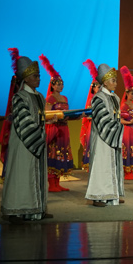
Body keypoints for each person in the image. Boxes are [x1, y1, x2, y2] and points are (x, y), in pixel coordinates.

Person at [1, 50, 51, 223]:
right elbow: (24, 121)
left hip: (37, 139)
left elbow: (40, 118)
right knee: (21, 174)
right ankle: (17, 210)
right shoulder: (19, 97)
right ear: (26, 78)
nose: (39, 79)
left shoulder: (40, 97)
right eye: (35, 76)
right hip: (25, 142)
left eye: (39, 76)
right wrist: (38, 136)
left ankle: (38, 209)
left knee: (37, 175)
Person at [85, 64, 125, 207]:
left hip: (112, 134)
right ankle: (99, 196)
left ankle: (113, 194)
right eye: (113, 80)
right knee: (101, 165)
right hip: (103, 137)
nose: (116, 83)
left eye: (116, 80)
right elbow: (102, 120)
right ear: (105, 82)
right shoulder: (98, 98)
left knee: (113, 164)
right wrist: (118, 129)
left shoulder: (116, 98)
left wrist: (117, 128)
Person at [39, 54, 75, 192]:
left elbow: (67, 113)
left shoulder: (65, 98)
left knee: (62, 153)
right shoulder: (50, 98)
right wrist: (54, 118)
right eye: (58, 84)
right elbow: (46, 114)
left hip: (64, 129)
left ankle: (58, 183)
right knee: (53, 153)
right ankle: (52, 184)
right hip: (54, 129)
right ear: (52, 85)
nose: (60, 86)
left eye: (62, 83)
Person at [119, 66, 133, 181]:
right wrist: (131, 121)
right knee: (127, 149)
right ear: (127, 94)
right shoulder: (124, 105)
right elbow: (120, 119)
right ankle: (127, 172)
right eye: (132, 93)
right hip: (128, 130)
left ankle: (132, 170)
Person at [80, 59, 99, 172]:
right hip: (93, 126)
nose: (99, 88)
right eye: (97, 86)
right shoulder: (91, 100)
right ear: (93, 88)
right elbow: (87, 115)